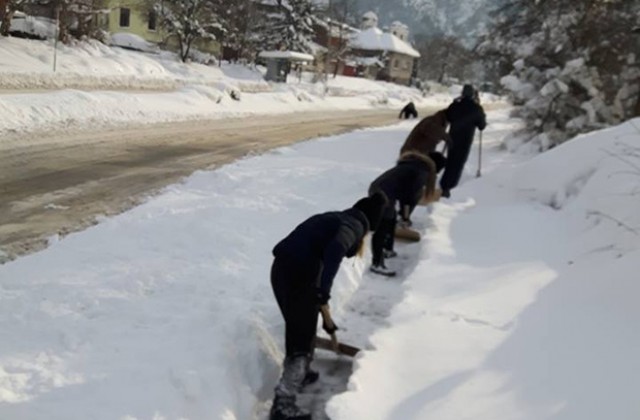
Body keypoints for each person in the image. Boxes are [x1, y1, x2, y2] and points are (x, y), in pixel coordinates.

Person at [269, 192, 387, 420]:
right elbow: (335, 250)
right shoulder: (352, 226)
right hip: (297, 277)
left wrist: (319, 296)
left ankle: (300, 375)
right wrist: (324, 290)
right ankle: (282, 404)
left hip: (283, 271)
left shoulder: (336, 218)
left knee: (301, 327)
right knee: (301, 338)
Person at [368, 151, 447, 277]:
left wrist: (403, 214)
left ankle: (388, 250)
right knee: (382, 227)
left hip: (379, 188)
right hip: (383, 193)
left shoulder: (415, 165)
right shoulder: (421, 172)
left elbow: (405, 192)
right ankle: (377, 263)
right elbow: (409, 196)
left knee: (391, 218)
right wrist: (405, 216)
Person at [439, 84, 487, 198]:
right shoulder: (476, 108)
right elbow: (482, 126)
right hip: (465, 140)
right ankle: (449, 187)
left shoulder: (455, 105)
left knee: (450, 160)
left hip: (452, 137)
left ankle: (444, 183)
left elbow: (448, 116)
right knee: (458, 163)